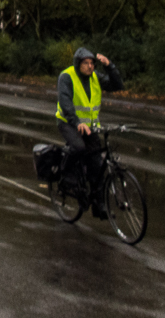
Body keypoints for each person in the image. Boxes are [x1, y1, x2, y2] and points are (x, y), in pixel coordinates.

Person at [57, 47, 124, 216]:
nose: (90, 66)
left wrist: (109, 66)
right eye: (85, 63)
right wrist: (77, 122)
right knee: (79, 147)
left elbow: (118, 85)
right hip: (68, 122)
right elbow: (65, 103)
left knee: (97, 164)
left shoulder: (95, 77)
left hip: (90, 126)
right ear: (78, 64)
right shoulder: (67, 77)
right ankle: (66, 175)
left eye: (92, 63)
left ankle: (99, 205)